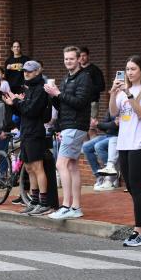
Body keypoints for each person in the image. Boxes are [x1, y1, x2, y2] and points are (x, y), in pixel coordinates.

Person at [44, 46, 92, 220]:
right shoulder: (65, 79)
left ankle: (65, 205)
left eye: (71, 59)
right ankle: (75, 207)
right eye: (66, 59)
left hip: (76, 125)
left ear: (79, 59)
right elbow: (63, 105)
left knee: (60, 164)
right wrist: (53, 95)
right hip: (67, 125)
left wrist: (58, 93)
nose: (68, 62)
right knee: (71, 166)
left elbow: (80, 102)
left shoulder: (84, 78)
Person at [3, 61, 51, 215]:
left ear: (38, 71)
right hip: (26, 132)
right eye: (24, 71)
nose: (26, 73)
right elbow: (23, 111)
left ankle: (44, 203)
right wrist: (13, 104)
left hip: (35, 133)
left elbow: (31, 111)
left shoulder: (40, 89)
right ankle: (34, 201)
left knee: (38, 168)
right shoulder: (29, 88)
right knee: (29, 168)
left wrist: (17, 101)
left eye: (29, 71)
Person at [109, 55, 141, 247]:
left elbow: (140, 113)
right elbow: (113, 112)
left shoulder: (140, 91)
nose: (129, 73)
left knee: (137, 188)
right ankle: (140, 229)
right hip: (123, 144)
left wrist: (129, 95)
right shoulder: (123, 91)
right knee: (130, 188)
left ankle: (139, 231)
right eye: (127, 69)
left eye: (133, 69)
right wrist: (114, 93)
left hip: (139, 144)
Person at [81, 112, 119, 190]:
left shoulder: (123, 107)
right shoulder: (111, 109)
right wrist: (96, 124)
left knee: (98, 146)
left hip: (117, 137)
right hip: (107, 136)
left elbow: (115, 125)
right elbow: (105, 125)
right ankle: (100, 176)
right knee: (86, 147)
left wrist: (100, 124)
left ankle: (111, 175)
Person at [79, 47, 105, 119]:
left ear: (88, 56)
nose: (82, 58)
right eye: (80, 56)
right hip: (79, 102)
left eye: (84, 55)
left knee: (91, 125)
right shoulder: (76, 70)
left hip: (92, 102)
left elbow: (102, 86)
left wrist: (88, 89)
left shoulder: (95, 70)